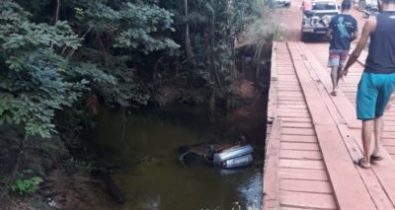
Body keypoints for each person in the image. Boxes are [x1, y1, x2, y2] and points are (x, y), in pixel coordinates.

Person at [343, 0, 395, 168]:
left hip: (372, 74)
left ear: (381, 2)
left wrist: (346, 67)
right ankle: (377, 151)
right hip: (391, 76)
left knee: (368, 117)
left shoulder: (373, 22)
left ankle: (365, 160)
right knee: (379, 114)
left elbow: (358, 49)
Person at [326, 0, 358, 96]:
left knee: (334, 68)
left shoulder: (334, 18)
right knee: (341, 67)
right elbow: (356, 35)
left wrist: (330, 40)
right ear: (350, 7)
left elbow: (328, 33)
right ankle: (337, 84)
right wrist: (349, 40)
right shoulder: (353, 20)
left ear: (341, 7)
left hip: (334, 47)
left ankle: (335, 87)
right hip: (345, 48)